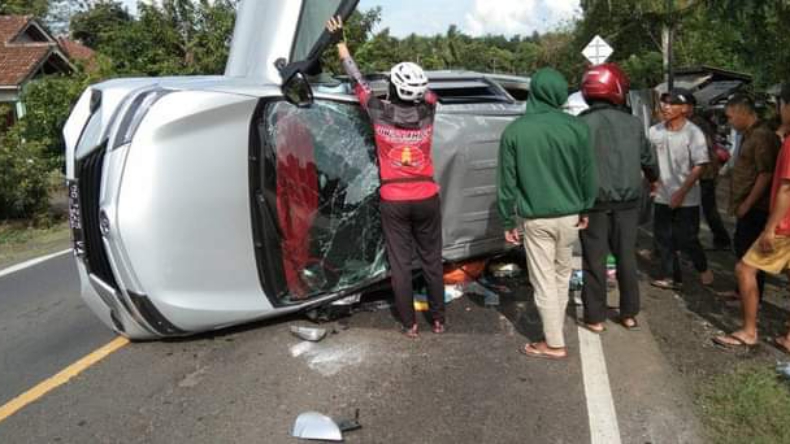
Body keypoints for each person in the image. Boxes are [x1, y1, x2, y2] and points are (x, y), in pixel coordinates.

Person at [326, 16, 444, 338]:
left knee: (401, 264)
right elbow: (428, 93)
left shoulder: (378, 110)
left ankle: (409, 324)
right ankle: (439, 319)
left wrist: (340, 41)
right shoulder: (429, 111)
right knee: (432, 260)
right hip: (427, 198)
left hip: (394, 199)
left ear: (392, 88)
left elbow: (357, 79)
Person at [497, 67, 597, 360]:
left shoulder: (515, 130)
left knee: (543, 281)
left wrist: (507, 218)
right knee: (561, 274)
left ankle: (553, 343)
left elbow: (507, 182)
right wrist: (586, 205)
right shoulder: (577, 127)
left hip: (536, 219)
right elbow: (588, 174)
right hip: (570, 216)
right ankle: (555, 330)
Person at [577, 63, 659, 332]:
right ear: (617, 88)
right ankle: (628, 314)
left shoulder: (580, 124)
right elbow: (648, 160)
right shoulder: (633, 124)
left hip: (592, 205)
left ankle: (595, 318)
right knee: (626, 257)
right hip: (627, 204)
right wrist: (654, 179)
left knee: (594, 260)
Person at [714, 85, 790, 351]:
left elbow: (779, 183)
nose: (729, 121)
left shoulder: (767, 138)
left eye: (731, 116)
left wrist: (767, 225)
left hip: (776, 221)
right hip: (777, 218)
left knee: (745, 268)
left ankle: (749, 330)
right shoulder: (753, 136)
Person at [649, 88, 714, 290]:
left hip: (687, 197)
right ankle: (671, 276)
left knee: (687, 238)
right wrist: (651, 182)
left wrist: (681, 192)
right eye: (664, 102)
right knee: (663, 238)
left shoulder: (694, 133)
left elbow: (700, 165)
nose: (666, 107)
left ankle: (703, 267)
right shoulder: (654, 131)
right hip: (661, 195)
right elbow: (647, 160)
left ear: (685, 108)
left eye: (672, 103)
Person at [724, 94, 781, 299]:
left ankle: (752, 297)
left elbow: (765, 174)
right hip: (747, 204)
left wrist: (747, 204)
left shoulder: (761, 136)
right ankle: (742, 292)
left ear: (742, 113)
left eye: (730, 117)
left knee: (750, 255)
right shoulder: (749, 134)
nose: (729, 122)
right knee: (741, 246)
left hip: (757, 207)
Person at [689, 102, 732, 251]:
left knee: (701, 208)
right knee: (707, 208)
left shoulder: (695, 124)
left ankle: (720, 239)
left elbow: (704, 146)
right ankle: (721, 239)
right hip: (707, 171)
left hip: (704, 172)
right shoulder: (700, 123)